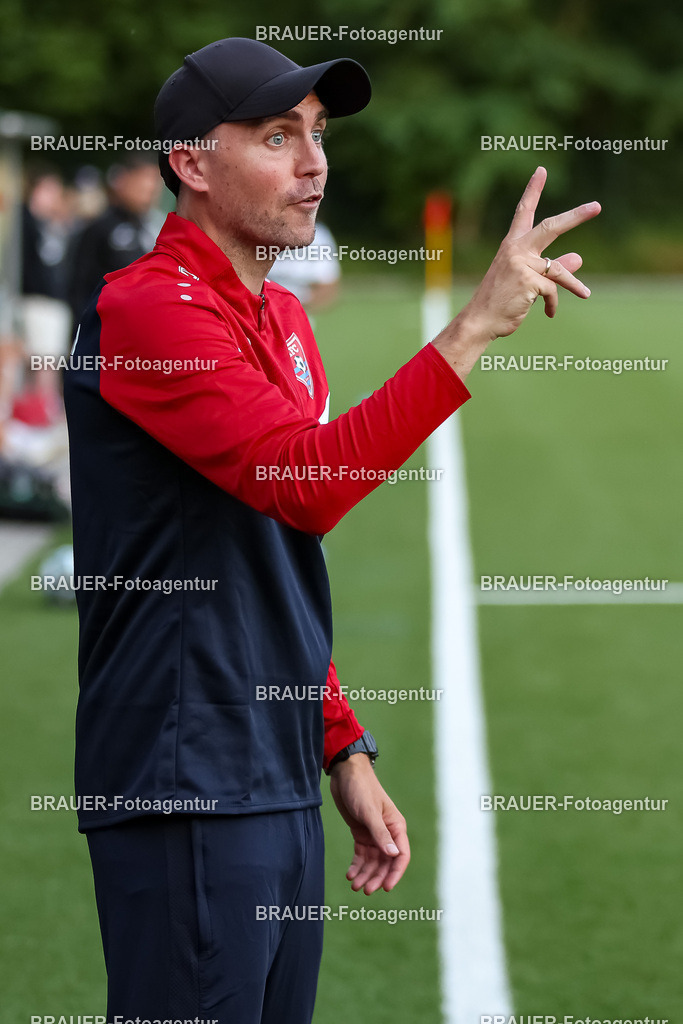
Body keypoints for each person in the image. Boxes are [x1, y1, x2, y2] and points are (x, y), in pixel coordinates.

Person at [63, 36, 600, 1024]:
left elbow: (270, 552)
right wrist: (470, 327)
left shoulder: (281, 317)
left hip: (271, 774)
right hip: (186, 778)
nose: (313, 162)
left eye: (315, 134)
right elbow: (303, 485)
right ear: (190, 162)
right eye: (275, 136)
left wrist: (339, 746)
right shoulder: (146, 308)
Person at [67, 154, 162, 320]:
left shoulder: (157, 226)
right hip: (108, 324)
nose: (150, 189)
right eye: (144, 181)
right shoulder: (101, 228)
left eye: (154, 182)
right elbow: (79, 286)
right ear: (124, 179)